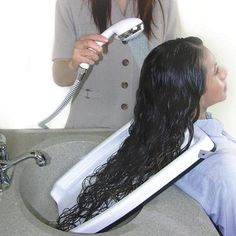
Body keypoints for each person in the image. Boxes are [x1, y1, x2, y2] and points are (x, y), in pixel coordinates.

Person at [56, 37, 236, 235]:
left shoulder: (156, 135)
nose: (225, 72)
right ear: (190, 90)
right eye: (216, 70)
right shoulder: (224, 171)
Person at [52, 0, 179, 129]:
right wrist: (73, 64)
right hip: (89, 131)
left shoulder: (163, 4)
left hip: (146, 129)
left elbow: (174, 73)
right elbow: (60, 77)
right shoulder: (70, 3)